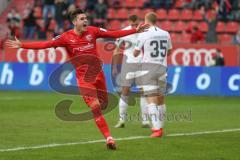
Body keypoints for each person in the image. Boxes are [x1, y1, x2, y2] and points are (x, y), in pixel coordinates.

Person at [6, 9, 149, 150]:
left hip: (98, 75)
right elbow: (45, 45)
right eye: (82, 19)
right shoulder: (65, 37)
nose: (85, 20)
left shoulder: (93, 31)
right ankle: (109, 138)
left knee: (104, 104)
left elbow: (113, 33)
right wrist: (22, 45)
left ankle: (105, 121)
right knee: (95, 107)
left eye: (86, 18)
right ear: (74, 22)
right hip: (84, 79)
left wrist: (135, 31)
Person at [134, 12, 172, 138]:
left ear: (146, 21)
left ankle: (156, 129)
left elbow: (135, 53)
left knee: (151, 99)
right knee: (161, 99)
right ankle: (160, 126)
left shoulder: (144, 33)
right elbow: (170, 50)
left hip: (148, 68)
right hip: (162, 68)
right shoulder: (165, 33)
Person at [112, 15, 150, 128]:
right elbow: (116, 49)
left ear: (139, 22)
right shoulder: (123, 32)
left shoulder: (144, 32)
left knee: (143, 92)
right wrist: (114, 67)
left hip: (141, 64)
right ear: (129, 22)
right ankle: (121, 120)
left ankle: (145, 121)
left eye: (136, 24)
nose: (134, 26)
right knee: (125, 91)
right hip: (127, 65)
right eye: (132, 24)